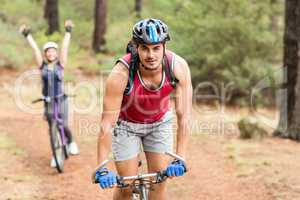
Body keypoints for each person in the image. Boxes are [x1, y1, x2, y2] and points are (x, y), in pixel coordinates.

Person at [95, 18, 193, 200]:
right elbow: (107, 123)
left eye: (156, 48)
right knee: (126, 185)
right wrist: (102, 167)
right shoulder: (120, 74)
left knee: (159, 183)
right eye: (145, 48)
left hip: (159, 124)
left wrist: (180, 157)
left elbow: (184, 116)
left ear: (164, 46)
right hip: (126, 126)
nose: (151, 55)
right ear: (136, 47)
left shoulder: (178, 67)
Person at [19, 20, 79, 167]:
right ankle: (56, 155)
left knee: (63, 124)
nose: (51, 53)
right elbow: (34, 50)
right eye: (48, 51)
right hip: (48, 99)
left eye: (53, 51)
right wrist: (28, 36)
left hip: (61, 98)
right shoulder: (43, 66)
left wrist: (68, 33)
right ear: (45, 54)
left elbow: (65, 48)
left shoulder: (60, 64)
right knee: (52, 126)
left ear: (56, 53)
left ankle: (71, 142)